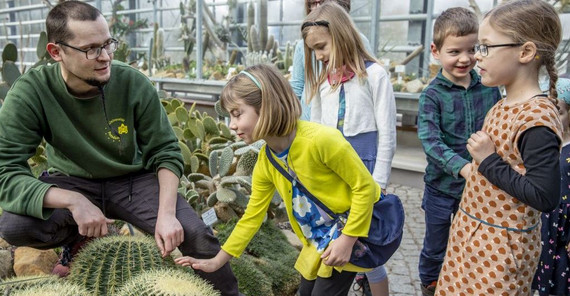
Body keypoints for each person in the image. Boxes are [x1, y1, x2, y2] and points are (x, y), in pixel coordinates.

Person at [0, 2, 238, 295]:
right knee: (16, 226)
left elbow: (165, 151)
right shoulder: (31, 91)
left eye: (108, 44)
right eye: (91, 49)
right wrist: (73, 200)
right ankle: (78, 239)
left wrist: (166, 214)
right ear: (56, 52)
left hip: (133, 181)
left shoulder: (132, 83)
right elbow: (6, 171)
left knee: (195, 235)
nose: (105, 57)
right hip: (70, 180)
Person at [175, 63, 382, 296]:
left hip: (346, 235)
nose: (232, 125)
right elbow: (252, 217)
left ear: (266, 107)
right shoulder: (266, 161)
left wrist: (348, 239)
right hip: (318, 244)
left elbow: (365, 187)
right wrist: (217, 261)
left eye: (237, 114)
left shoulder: (322, 140)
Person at [436, 1, 563, 295]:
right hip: (471, 234)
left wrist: (489, 160)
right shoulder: (502, 102)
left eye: (486, 47)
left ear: (525, 52)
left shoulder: (537, 119)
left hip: (501, 250)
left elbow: (544, 196)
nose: (477, 57)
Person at [302, 2, 394, 295]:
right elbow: (315, 135)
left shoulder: (375, 75)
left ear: (341, 35)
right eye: (313, 50)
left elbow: (387, 135)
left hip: (363, 175)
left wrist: (377, 184)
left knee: (368, 250)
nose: (318, 56)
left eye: (322, 46)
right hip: (332, 178)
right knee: (341, 243)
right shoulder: (321, 84)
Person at [415, 7, 501, 296]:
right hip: (441, 189)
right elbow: (431, 141)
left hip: (479, 188)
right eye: (454, 51)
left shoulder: (489, 88)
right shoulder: (432, 95)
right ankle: (430, 285)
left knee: (471, 242)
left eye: (471, 50)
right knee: (435, 245)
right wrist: (463, 167)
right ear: (436, 51)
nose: (465, 59)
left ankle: (462, 284)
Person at [290, 0, 373, 121]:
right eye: (312, 4)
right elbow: (297, 86)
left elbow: (367, 82)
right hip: (309, 122)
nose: (316, 8)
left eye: (322, 2)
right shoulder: (302, 46)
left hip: (344, 122)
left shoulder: (358, 41)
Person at [532, 77, 570, 296]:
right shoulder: (545, 143)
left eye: (560, 112)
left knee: (560, 280)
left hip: (564, 228)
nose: (553, 118)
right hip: (544, 223)